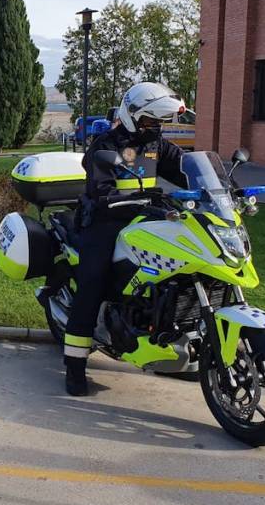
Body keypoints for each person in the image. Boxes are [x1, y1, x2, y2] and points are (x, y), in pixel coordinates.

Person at [63, 82, 188, 396]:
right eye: (150, 121)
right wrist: (120, 198)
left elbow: (186, 169)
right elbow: (101, 187)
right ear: (132, 116)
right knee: (92, 283)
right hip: (105, 221)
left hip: (144, 218)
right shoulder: (106, 144)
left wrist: (227, 187)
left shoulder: (157, 144)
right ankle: (75, 368)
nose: (155, 127)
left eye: (159, 122)